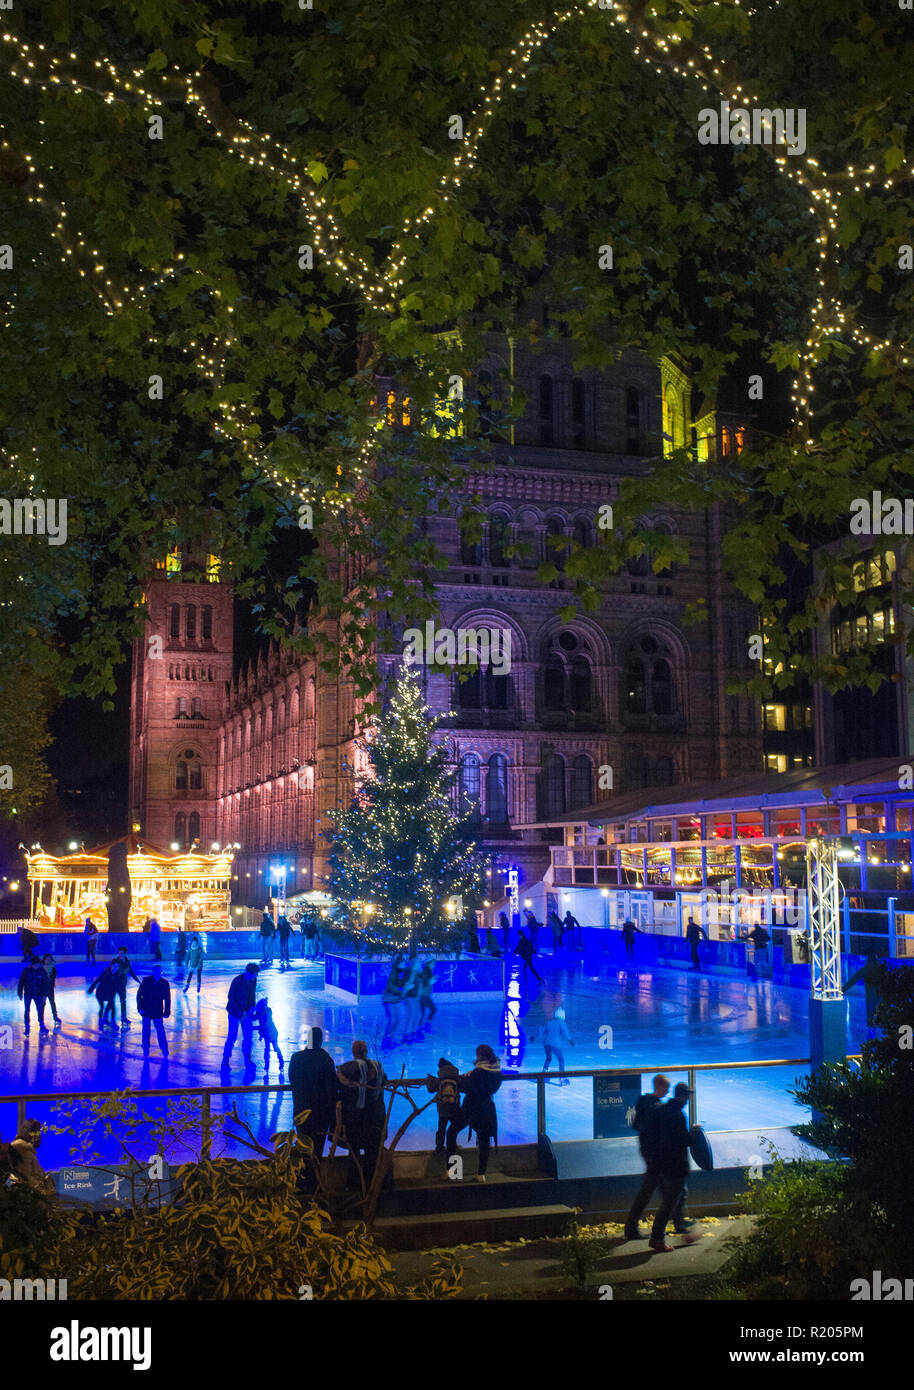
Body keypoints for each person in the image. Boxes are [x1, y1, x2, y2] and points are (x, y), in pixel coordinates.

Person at [647, 1082, 701, 1253]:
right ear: (683, 1096)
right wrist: (694, 1134)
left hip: (660, 1164)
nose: (688, 1100)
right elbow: (683, 1141)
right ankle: (657, 1238)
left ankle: (682, 1228)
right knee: (669, 1204)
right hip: (674, 1166)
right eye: (687, 1097)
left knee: (680, 1195)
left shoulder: (662, 1110)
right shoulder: (678, 1115)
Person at [624, 1074, 673, 1240]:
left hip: (647, 1150)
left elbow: (636, 1125)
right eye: (667, 1088)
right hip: (654, 1153)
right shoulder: (657, 1107)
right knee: (653, 1190)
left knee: (657, 1189)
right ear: (661, 1087)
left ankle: (633, 1227)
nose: (668, 1092)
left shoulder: (643, 1103)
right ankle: (633, 1228)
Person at [447, 1044, 502, 1183]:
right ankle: (481, 1174)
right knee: (484, 1139)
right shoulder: (497, 1072)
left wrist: (463, 1079)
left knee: (451, 1131)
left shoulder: (478, 1073)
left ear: (480, 1056)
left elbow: (466, 1088)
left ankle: (451, 1171)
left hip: (471, 1108)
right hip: (486, 1108)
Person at [289, 1026, 339, 1173]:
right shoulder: (326, 1060)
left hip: (301, 1109)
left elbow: (293, 1081)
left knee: (303, 1145)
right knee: (317, 1149)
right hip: (321, 1112)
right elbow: (331, 1088)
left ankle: (302, 1179)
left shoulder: (296, 1058)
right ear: (320, 1041)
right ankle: (314, 1180)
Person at [337, 1040, 386, 1188]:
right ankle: (371, 1185)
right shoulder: (378, 1068)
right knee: (372, 1153)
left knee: (354, 1153)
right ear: (366, 1051)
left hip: (354, 1119)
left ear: (353, 1052)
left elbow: (338, 1087)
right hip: (375, 1119)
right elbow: (384, 1081)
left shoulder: (345, 1069)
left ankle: (354, 1185)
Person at [222, 963, 259, 1067]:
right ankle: (226, 1059)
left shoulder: (253, 980)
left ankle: (247, 1057)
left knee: (248, 1036)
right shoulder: (237, 981)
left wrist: (252, 1008)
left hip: (247, 1013)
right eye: (255, 974)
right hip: (234, 1013)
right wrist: (240, 1012)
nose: (256, 976)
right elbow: (231, 997)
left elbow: (252, 995)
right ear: (248, 973)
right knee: (232, 1036)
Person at [7, 1119, 55, 1195]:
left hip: (27, 1191)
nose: (39, 1135)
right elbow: (25, 1176)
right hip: (26, 1193)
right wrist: (41, 1190)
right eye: (38, 1131)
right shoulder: (22, 1148)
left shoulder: (26, 1149)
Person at [426, 1056, 461, 1154]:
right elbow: (462, 1087)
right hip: (454, 1107)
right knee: (454, 1128)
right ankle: (453, 1145)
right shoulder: (456, 1078)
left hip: (442, 1108)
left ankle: (439, 1147)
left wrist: (430, 1080)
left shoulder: (439, 1079)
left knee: (441, 1128)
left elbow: (431, 1089)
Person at [137, 963, 171, 1058]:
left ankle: (164, 1049)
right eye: (156, 972)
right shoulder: (146, 980)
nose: (158, 974)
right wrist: (140, 1008)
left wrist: (167, 1011)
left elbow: (167, 998)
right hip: (146, 1010)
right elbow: (139, 995)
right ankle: (146, 1049)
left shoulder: (164, 983)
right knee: (146, 1031)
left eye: (160, 972)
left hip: (157, 1011)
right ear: (153, 972)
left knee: (160, 1030)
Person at [843, 952, 884, 1029]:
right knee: (879, 1008)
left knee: (871, 1009)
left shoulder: (865, 970)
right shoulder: (881, 969)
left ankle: (871, 1024)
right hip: (880, 994)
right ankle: (878, 1024)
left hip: (870, 995)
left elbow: (853, 980)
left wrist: (842, 990)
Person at [534, 1006, 574, 1081]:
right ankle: (562, 1077)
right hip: (555, 1044)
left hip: (546, 1044)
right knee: (561, 1059)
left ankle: (544, 1074)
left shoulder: (549, 1022)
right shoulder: (561, 1023)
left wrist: (533, 1036)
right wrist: (570, 1040)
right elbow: (565, 1033)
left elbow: (541, 1030)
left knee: (548, 1058)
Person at [17, 956, 50, 1036]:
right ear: (32, 964)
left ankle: (41, 1024)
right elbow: (21, 982)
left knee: (40, 1009)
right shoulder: (26, 971)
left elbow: (46, 983)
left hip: (39, 994)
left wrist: (45, 995)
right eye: (35, 965)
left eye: (38, 964)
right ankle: (27, 1025)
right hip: (28, 993)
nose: (36, 966)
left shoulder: (42, 971)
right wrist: (20, 992)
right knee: (27, 1010)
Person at [253, 997, 285, 1075]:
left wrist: (253, 1028)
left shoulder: (266, 1013)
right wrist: (251, 1011)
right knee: (269, 1048)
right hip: (267, 1032)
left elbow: (263, 1026)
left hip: (271, 1032)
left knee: (273, 1047)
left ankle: (280, 1062)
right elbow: (253, 1018)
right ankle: (268, 1065)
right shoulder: (260, 1012)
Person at [112, 947, 141, 1026]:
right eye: (119, 953)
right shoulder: (115, 961)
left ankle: (124, 1017)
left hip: (122, 984)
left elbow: (131, 972)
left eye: (122, 953)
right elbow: (111, 971)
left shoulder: (127, 962)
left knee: (123, 1001)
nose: (120, 955)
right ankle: (109, 1018)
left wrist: (137, 980)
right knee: (111, 1001)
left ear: (125, 954)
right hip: (114, 984)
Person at [381, 954, 406, 1041]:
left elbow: (397, 983)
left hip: (393, 998)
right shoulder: (394, 972)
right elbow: (390, 986)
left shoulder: (397, 972)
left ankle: (390, 1037)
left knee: (396, 1020)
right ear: (399, 964)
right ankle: (387, 1038)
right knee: (393, 1020)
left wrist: (404, 983)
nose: (404, 965)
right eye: (403, 964)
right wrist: (400, 992)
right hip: (389, 999)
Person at [87, 962, 118, 1028]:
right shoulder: (105, 973)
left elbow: (116, 985)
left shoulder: (116, 975)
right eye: (114, 966)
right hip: (100, 993)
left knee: (112, 1005)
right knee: (102, 1006)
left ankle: (109, 1020)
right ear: (111, 966)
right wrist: (91, 989)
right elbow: (97, 980)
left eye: (117, 967)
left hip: (109, 993)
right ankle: (101, 1019)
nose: (115, 968)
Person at [42, 953, 61, 1027]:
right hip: (43, 988)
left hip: (50, 987)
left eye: (49, 959)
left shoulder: (53, 967)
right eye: (47, 959)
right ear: (44, 959)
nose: (48, 960)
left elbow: (54, 975)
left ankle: (55, 1017)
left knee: (52, 1002)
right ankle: (41, 1018)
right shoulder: (41, 967)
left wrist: (51, 980)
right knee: (42, 1003)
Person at [417, 959, 437, 1027]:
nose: (434, 965)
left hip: (425, 995)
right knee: (432, 1009)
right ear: (428, 964)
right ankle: (424, 1025)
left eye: (434, 964)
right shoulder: (426, 972)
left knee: (423, 1013)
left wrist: (432, 979)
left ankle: (422, 1026)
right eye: (432, 963)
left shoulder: (429, 971)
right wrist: (430, 982)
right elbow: (423, 982)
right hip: (423, 995)